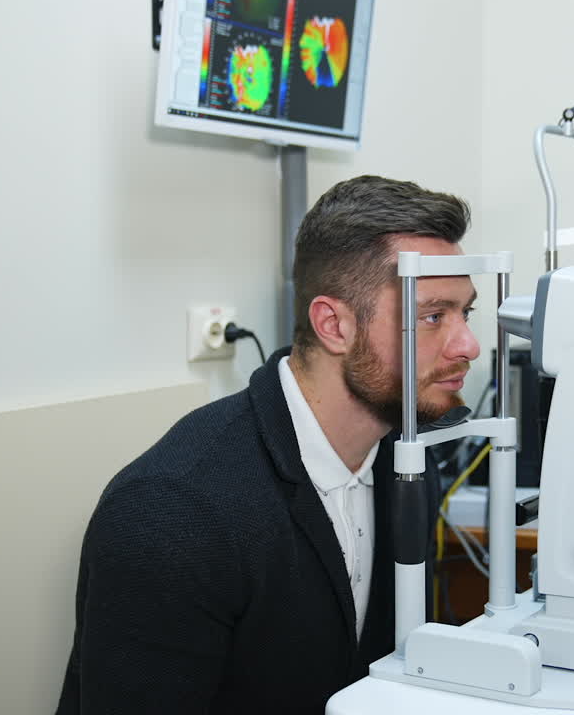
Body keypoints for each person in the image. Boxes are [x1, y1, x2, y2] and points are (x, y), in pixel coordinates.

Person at [56, 175, 480, 714]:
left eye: (466, 313)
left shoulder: (407, 465)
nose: (468, 344)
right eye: (432, 316)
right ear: (334, 325)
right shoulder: (172, 512)